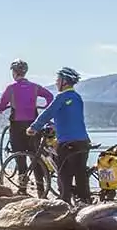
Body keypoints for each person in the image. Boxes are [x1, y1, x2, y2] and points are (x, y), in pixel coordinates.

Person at [29, 66, 90, 203]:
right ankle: (85, 201)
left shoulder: (61, 97)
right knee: (80, 173)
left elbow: (48, 113)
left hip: (67, 143)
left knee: (64, 175)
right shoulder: (77, 97)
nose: (56, 82)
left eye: (58, 79)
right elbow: (70, 118)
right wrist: (55, 126)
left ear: (65, 82)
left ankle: (65, 203)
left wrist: (34, 127)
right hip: (83, 141)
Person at [0, 60, 52, 187]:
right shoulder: (35, 87)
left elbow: (2, 105)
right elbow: (50, 96)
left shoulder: (11, 88)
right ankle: (40, 187)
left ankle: (23, 188)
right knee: (35, 156)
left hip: (17, 125)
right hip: (33, 124)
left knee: (20, 157)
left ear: (14, 73)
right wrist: (46, 109)